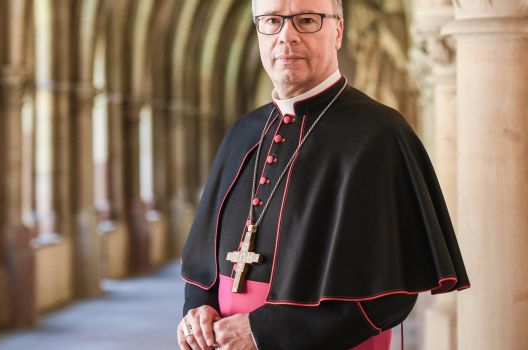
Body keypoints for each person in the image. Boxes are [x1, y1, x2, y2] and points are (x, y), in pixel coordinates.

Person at [177, 0, 470, 349]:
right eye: (271, 21)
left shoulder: (380, 136)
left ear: (338, 31)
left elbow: (389, 296)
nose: (287, 36)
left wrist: (263, 332)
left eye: (306, 20)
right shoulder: (242, 133)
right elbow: (202, 265)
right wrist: (199, 311)